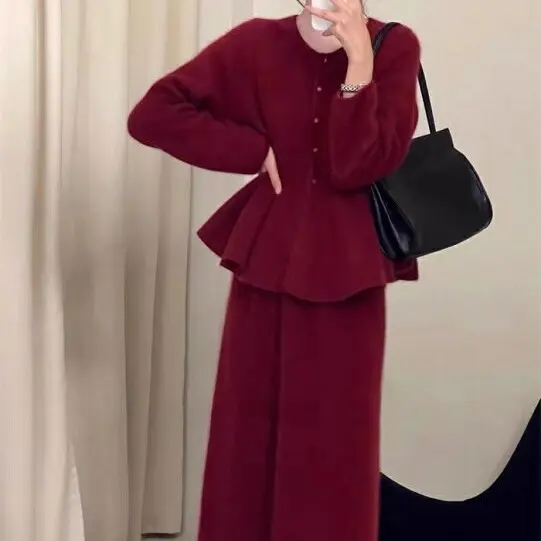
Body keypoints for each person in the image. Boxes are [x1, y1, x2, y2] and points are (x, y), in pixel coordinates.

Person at [127, 1, 421, 540]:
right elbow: (152, 114)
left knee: (334, 448)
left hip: (348, 275)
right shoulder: (256, 42)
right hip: (267, 264)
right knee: (246, 440)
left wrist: (359, 62)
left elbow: (357, 165)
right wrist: (252, 149)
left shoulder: (394, 47)